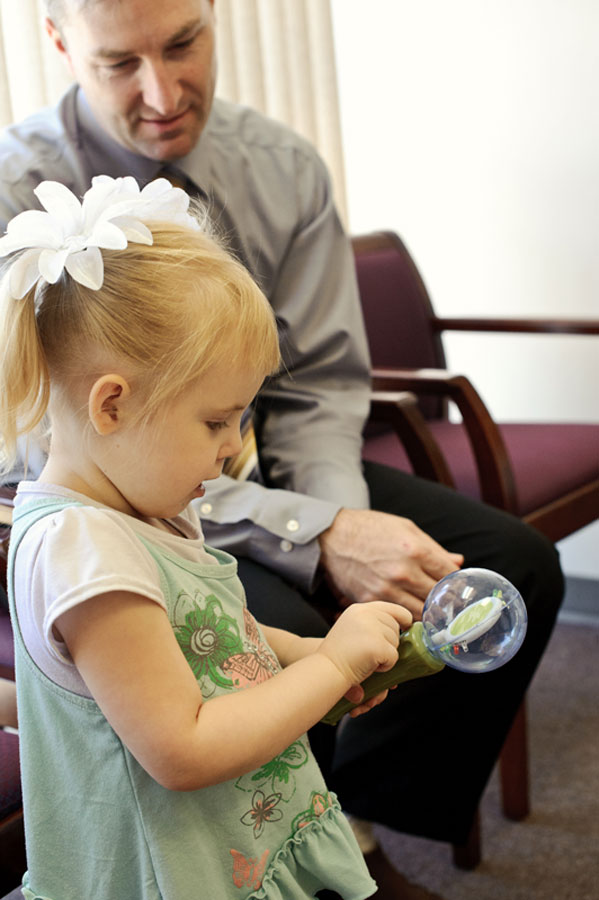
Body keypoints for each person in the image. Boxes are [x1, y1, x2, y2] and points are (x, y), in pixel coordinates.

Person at [0, 0, 563, 890]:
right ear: (61, 44)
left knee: (510, 558)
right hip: (145, 502)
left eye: (184, 43)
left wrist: (339, 525)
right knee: (288, 630)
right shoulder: (21, 203)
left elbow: (313, 391)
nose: (161, 91)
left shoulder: (284, 168)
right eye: (120, 64)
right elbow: (40, 452)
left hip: (177, 480)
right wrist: (310, 573)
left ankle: (342, 825)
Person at [0, 174, 415, 899]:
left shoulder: (142, 508)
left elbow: (211, 633)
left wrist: (313, 654)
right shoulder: (85, 553)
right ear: (112, 405)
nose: (232, 448)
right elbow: (182, 750)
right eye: (215, 421)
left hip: (223, 843)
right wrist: (328, 672)